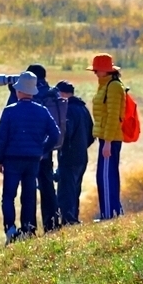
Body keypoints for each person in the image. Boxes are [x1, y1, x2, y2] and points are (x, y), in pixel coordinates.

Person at [0, 71, 60, 244]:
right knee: (29, 195)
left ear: (19, 91)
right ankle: (28, 228)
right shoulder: (42, 111)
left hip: (12, 159)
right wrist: (41, 150)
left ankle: (10, 229)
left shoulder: (9, 111)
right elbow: (55, 134)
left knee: (9, 196)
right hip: (33, 159)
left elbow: (1, 138)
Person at [89, 53, 126, 219]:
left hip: (109, 139)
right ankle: (113, 211)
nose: (95, 73)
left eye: (97, 70)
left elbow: (113, 116)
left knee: (106, 176)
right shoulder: (105, 85)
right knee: (106, 175)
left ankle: (109, 214)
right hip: (105, 137)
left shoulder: (113, 87)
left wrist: (108, 142)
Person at [54, 80, 94, 226]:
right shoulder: (83, 109)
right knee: (75, 188)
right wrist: (82, 146)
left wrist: (60, 146)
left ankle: (68, 220)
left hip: (69, 156)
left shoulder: (68, 109)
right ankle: (73, 217)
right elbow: (92, 133)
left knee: (66, 190)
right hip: (82, 156)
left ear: (62, 93)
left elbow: (65, 133)